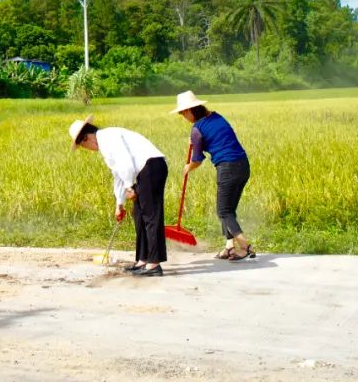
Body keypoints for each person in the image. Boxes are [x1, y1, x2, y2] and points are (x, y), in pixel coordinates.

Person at [69, 115, 168, 277]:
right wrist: (119, 204)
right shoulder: (104, 142)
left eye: (82, 145)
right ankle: (143, 260)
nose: (86, 149)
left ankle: (154, 264)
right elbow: (118, 175)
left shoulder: (108, 137)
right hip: (145, 170)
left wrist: (129, 186)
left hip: (152, 166)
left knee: (150, 216)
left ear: (86, 139)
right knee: (139, 215)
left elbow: (125, 163)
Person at [172, 90, 255, 261]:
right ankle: (229, 246)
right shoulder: (216, 117)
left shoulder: (197, 129)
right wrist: (196, 141)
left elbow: (197, 159)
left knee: (223, 211)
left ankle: (245, 247)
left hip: (227, 168)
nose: (182, 116)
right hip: (243, 165)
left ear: (189, 110)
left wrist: (188, 167)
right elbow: (217, 137)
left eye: (182, 113)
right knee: (229, 210)